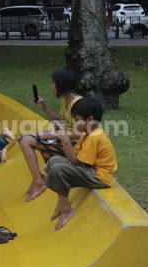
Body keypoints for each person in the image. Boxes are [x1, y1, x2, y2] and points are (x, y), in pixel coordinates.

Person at [25, 98, 117, 231]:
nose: (73, 122)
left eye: (77, 119)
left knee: (58, 169)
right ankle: (61, 203)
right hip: (89, 169)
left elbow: (75, 162)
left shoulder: (95, 137)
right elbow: (74, 157)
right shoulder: (87, 134)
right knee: (54, 161)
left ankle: (66, 208)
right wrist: (61, 136)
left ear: (89, 120)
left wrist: (65, 140)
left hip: (100, 176)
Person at [21, 69, 83, 201]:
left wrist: (54, 136)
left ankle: (39, 182)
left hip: (73, 147)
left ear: (61, 84)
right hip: (63, 140)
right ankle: (38, 179)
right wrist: (44, 108)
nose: (51, 86)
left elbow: (83, 133)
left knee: (26, 141)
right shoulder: (66, 100)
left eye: (53, 83)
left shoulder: (78, 104)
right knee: (25, 139)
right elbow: (60, 121)